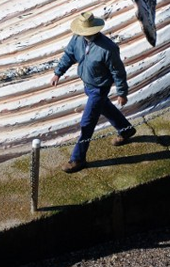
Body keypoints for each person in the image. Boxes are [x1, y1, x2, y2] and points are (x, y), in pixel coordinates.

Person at [50, 11, 136, 173]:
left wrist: (122, 93)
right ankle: (126, 130)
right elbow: (68, 55)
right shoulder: (77, 39)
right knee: (106, 108)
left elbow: (118, 72)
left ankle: (78, 159)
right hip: (88, 84)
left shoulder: (108, 49)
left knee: (87, 123)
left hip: (99, 88)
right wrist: (58, 73)